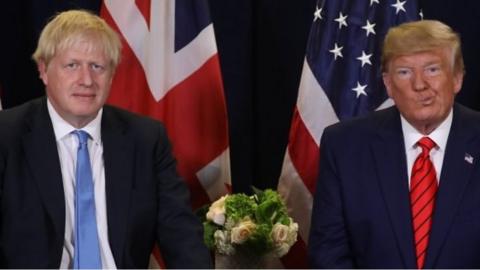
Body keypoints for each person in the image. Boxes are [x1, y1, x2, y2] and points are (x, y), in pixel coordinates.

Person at [0, 10, 212, 268]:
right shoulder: (7, 136)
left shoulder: (145, 140)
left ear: (111, 75)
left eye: (97, 67)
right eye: (72, 65)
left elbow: (182, 237)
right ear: (44, 70)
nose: (86, 80)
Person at [308, 19, 480, 268]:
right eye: (404, 72)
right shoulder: (345, 146)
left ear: (457, 78)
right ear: (388, 84)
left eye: (432, 69)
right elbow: (328, 254)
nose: (420, 84)